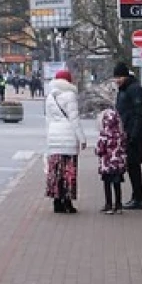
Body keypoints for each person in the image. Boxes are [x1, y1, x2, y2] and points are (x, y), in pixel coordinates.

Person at [44, 67, 85, 213]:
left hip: (54, 137)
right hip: (68, 138)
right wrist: (82, 138)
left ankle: (56, 201)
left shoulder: (50, 97)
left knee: (56, 171)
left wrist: (48, 139)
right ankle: (67, 202)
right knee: (69, 171)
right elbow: (74, 119)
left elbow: (48, 120)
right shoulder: (70, 96)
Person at [112, 62, 142, 209]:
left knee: (134, 166)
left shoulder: (134, 90)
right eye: (116, 77)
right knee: (131, 166)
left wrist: (133, 135)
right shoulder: (124, 90)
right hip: (126, 133)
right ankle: (136, 196)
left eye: (120, 77)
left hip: (134, 134)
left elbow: (139, 115)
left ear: (126, 76)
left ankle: (139, 198)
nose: (117, 80)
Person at [95, 107, 128, 215]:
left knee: (107, 184)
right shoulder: (121, 134)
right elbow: (124, 147)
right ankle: (118, 205)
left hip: (107, 164)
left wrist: (98, 152)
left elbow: (99, 150)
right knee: (117, 184)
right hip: (118, 164)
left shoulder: (104, 134)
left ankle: (108, 205)